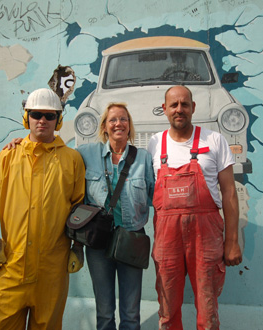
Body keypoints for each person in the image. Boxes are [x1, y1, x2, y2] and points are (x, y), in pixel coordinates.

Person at [0, 88, 86, 329]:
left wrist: (78, 246)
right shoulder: (7, 157)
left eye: (49, 115)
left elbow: (79, 207)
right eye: (36, 114)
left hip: (52, 272)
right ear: (27, 118)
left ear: (59, 120)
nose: (42, 120)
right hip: (11, 266)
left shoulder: (72, 160)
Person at [147, 85, 242, 330]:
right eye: (174, 105)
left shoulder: (214, 140)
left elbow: (230, 193)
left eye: (185, 104)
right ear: (165, 109)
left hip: (206, 236)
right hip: (167, 238)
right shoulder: (155, 145)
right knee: (167, 310)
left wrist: (231, 241)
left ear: (193, 108)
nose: (180, 109)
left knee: (207, 310)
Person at [77, 102, 155, 330]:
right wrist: (23, 141)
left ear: (129, 126)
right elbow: (56, 155)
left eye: (123, 119)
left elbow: (155, 198)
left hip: (132, 240)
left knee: (131, 314)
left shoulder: (143, 158)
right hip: (97, 243)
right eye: (112, 120)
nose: (118, 124)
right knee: (104, 313)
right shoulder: (85, 154)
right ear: (104, 127)